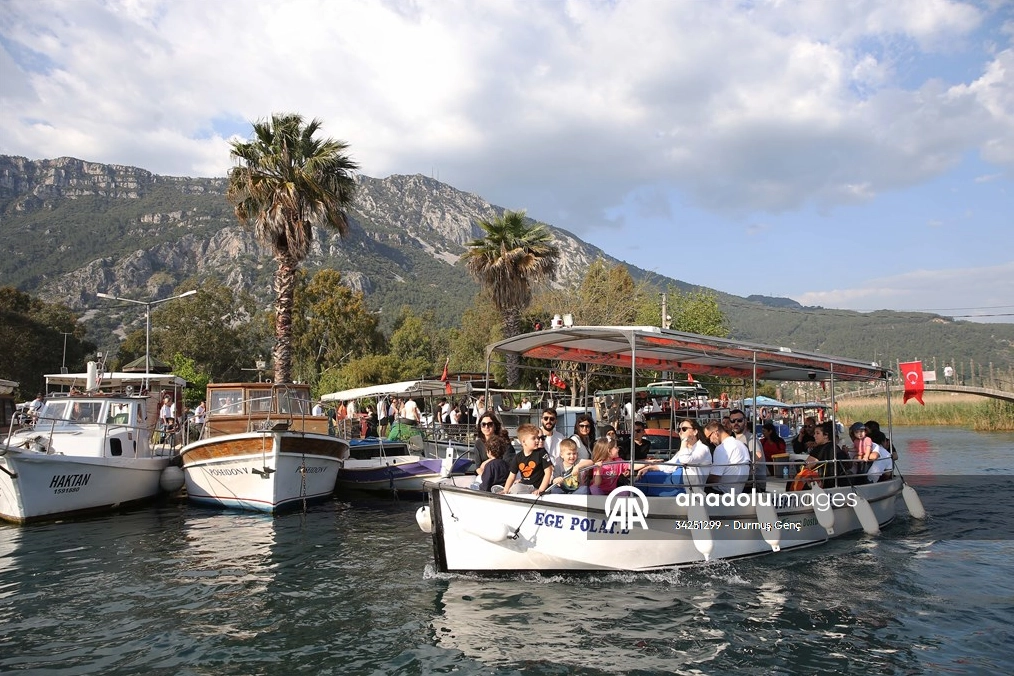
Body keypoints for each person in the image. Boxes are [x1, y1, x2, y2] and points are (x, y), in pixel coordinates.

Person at [638, 418, 711, 491]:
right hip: (674, 483)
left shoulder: (702, 449)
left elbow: (685, 460)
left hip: (688, 489)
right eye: (679, 430)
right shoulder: (683, 450)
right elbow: (670, 464)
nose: (681, 432)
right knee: (644, 477)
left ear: (695, 432)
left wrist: (684, 441)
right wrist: (649, 468)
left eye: (684, 429)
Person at [502, 424, 554, 496]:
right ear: (523, 442)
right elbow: (511, 476)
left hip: (537, 488)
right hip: (525, 486)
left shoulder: (541, 452)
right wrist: (505, 490)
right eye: (533, 438)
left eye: (537, 438)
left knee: (516, 488)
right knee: (515, 488)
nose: (537, 440)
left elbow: (548, 471)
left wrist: (541, 489)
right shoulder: (518, 457)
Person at [702, 420, 750, 494]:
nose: (710, 441)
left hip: (721, 492)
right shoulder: (741, 445)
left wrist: (701, 479)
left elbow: (715, 478)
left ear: (716, 433)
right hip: (737, 491)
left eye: (709, 438)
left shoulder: (722, 448)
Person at [804, 421, 853, 487]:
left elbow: (806, 466)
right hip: (841, 483)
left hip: (825, 484)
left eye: (817, 433)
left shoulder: (819, 449)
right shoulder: (836, 447)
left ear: (826, 435)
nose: (814, 436)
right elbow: (849, 465)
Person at [728, 409, 766, 491]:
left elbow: (758, 456)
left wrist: (747, 472)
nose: (736, 423)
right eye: (732, 421)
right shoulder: (735, 439)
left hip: (753, 485)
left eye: (739, 420)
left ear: (745, 422)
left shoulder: (751, 438)